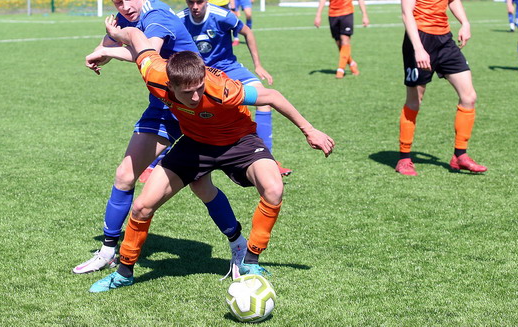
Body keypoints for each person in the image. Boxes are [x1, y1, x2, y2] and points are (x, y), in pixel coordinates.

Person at [85, 21, 335, 292]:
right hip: (195, 143)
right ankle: (124, 273)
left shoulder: (222, 89)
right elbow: (135, 34)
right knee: (142, 207)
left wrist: (310, 130)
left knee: (274, 189)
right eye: (187, 92)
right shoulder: (154, 73)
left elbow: (272, 96)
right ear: (171, 85)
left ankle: (250, 261)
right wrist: (115, 36)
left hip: (238, 141)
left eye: (199, 88)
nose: (195, 97)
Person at [74, 0, 247, 277]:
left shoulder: (157, 17)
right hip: (163, 105)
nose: (126, 6)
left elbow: (148, 55)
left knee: (200, 185)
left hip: (192, 106)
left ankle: (238, 244)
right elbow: (113, 41)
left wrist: (108, 50)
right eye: (117, 2)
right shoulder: (128, 16)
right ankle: (109, 251)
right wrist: (103, 49)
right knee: (126, 175)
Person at [395, 0, 487, 176]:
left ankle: (460, 155)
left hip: (445, 40)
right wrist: (418, 49)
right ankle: (404, 157)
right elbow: (406, 13)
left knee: (469, 96)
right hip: (419, 40)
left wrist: (465, 22)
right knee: (415, 100)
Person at [178, 0, 291, 177]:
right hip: (200, 74)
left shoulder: (222, 15)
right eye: (191, 2)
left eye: (199, 1)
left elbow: (247, 32)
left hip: (229, 69)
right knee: (178, 106)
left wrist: (258, 65)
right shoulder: (179, 19)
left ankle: (269, 159)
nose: (195, 7)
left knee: (264, 100)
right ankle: (161, 161)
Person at [314, 0, 370, 79]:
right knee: (339, 43)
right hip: (333, 14)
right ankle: (351, 63)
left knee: (345, 40)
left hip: (347, 13)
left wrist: (365, 15)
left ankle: (340, 69)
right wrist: (318, 15)